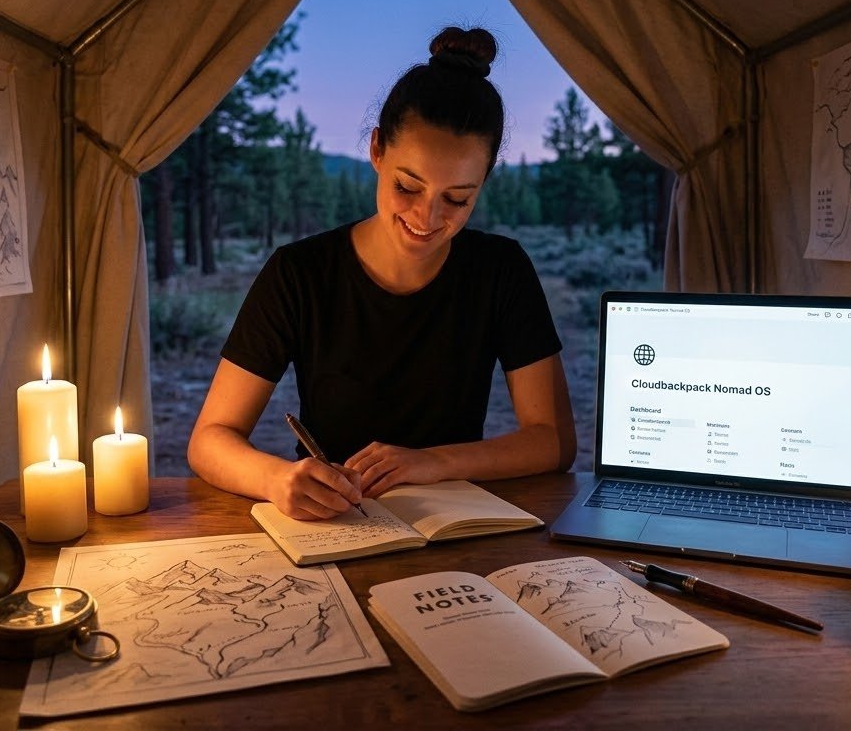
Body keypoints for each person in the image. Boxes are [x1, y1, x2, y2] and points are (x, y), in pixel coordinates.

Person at [187, 26, 576, 519]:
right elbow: (209, 440)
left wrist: (431, 463)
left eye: (457, 199)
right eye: (408, 187)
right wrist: (277, 479)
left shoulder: (500, 270)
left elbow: (554, 443)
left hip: (454, 530)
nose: (428, 218)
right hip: (332, 526)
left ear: (484, 182)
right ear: (376, 150)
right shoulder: (300, 273)